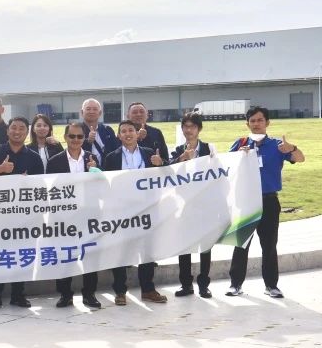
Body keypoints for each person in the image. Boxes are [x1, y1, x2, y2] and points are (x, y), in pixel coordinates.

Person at [227, 107, 305, 298]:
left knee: (269, 245)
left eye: (260, 120)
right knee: (241, 244)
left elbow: (300, 159)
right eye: (252, 121)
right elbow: (226, 168)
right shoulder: (240, 143)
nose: (256, 124)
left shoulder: (277, 145)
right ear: (247, 124)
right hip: (246, 201)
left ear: (267, 123)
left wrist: (292, 148)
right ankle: (235, 284)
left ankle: (271, 285)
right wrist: (238, 157)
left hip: (269, 200)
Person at [0, 116, 44, 309]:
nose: (17, 132)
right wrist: (1, 168)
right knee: (0, 254)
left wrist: (26, 182)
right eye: (13, 128)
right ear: (7, 131)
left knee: (21, 254)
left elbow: (40, 185)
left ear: (27, 132)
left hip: (24, 215)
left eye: (21, 128)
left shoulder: (33, 156)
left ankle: (18, 294)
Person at [101, 120, 167, 306]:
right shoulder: (111, 157)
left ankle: (148, 289)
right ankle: (120, 291)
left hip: (147, 210)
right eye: (123, 131)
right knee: (121, 251)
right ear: (119, 136)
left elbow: (167, 175)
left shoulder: (150, 153)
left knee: (147, 251)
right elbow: (105, 185)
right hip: (122, 212)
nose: (128, 134)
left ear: (138, 134)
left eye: (131, 130)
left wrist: (161, 163)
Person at [48, 123, 101, 308]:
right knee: (65, 256)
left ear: (84, 138)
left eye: (79, 136)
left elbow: (102, 186)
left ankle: (89, 294)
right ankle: (65, 294)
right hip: (64, 217)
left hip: (88, 214)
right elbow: (50, 190)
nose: (76, 140)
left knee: (90, 255)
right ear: (65, 137)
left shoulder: (92, 158)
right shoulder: (54, 161)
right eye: (72, 136)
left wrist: (95, 171)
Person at [171, 112, 217, 299]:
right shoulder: (177, 150)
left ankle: (204, 285)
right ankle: (186, 284)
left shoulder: (209, 148)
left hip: (205, 205)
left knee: (205, 247)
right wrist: (181, 159)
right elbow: (169, 171)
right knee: (185, 247)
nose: (189, 130)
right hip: (185, 205)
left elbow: (218, 172)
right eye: (186, 126)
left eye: (193, 126)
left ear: (199, 129)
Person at [79, 98, 120, 165]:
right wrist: (88, 141)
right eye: (88, 109)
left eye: (95, 109)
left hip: (107, 169)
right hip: (84, 168)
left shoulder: (107, 130)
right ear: (82, 112)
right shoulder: (76, 130)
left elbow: (116, 150)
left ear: (100, 113)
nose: (91, 112)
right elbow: (72, 150)